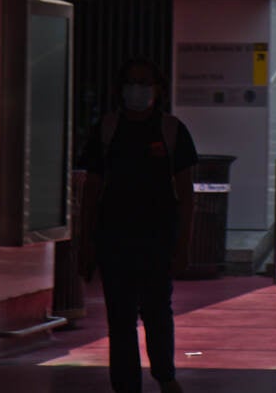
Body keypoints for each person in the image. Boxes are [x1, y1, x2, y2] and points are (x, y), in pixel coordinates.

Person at [78, 58, 197, 393]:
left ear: (158, 89)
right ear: (120, 88)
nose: (137, 89)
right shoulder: (107, 129)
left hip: (158, 238)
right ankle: (125, 384)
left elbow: (187, 194)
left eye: (145, 82)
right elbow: (91, 190)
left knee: (158, 311)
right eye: (131, 82)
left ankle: (164, 374)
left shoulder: (172, 130)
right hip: (114, 239)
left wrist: (183, 245)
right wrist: (85, 242)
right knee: (120, 317)